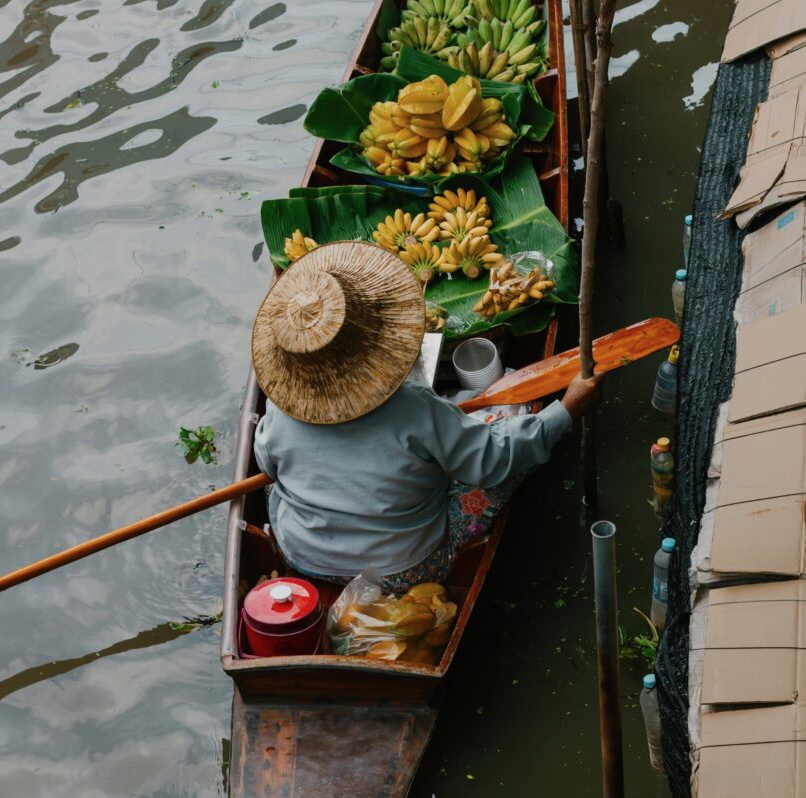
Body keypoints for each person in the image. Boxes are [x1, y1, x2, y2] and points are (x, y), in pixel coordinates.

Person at [251, 240, 602, 592]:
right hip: (402, 569)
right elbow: (491, 458)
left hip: (301, 553)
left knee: (276, 488)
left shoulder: (282, 408)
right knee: (502, 450)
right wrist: (567, 408)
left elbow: (267, 466)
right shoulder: (414, 407)